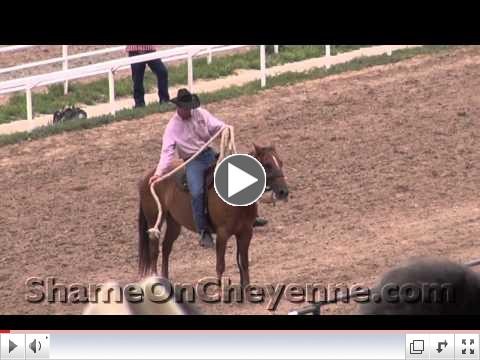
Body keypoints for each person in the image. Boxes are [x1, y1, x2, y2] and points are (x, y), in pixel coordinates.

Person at [149, 89, 267, 248]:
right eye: (185, 108)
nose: (188, 110)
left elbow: (217, 126)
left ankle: (252, 216)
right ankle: (203, 230)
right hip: (192, 161)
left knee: (239, 172)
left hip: (209, 154)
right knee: (197, 191)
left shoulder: (201, 114)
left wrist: (225, 129)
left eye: (190, 107)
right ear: (179, 108)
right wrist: (158, 173)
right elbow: (167, 152)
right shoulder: (172, 127)